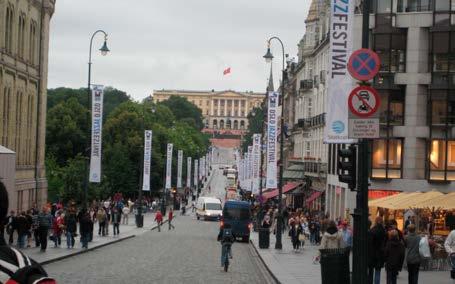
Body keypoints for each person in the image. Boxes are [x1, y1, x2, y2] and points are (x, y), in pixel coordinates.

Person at [0, 180, 55, 283]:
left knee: (41, 239)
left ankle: (43, 246)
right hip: (37, 229)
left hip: (40, 229)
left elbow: (46, 221)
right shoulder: (29, 268)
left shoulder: (22, 271)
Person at [368, 216, 386, 284]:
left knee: (371, 272)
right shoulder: (384, 231)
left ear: (375, 221)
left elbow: (370, 243)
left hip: (372, 254)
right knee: (378, 272)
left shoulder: (372, 230)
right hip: (380, 254)